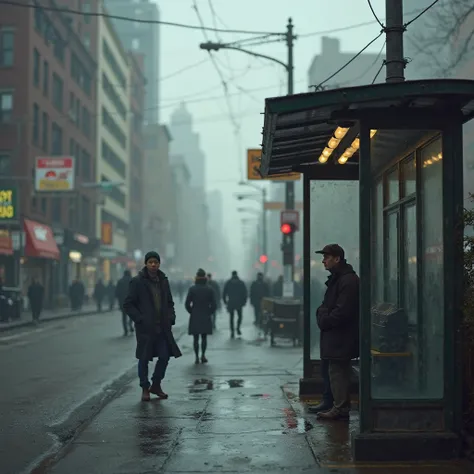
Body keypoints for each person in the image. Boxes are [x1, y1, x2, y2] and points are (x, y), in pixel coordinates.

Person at [123, 251, 182, 402]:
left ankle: (156, 384)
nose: (153, 265)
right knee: (144, 358)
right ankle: (145, 387)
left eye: (156, 262)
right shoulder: (137, 281)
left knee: (164, 356)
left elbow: (169, 302)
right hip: (145, 328)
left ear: (159, 264)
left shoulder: (163, 281)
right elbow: (128, 304)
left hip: (162, 327)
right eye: (150, 262)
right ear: (146, 264)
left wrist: (171, 317)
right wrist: (139, 319)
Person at [313, 244, 359, 420]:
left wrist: (324, 318)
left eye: (327, 257)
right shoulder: (340, 278)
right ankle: (338, 405)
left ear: (337, 259)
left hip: (341, 335)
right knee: (334, 370)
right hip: (336, 335)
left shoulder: (347, 280)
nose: (323, 261)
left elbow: (342, 311)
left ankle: (340, 408)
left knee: (338, 371)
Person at [185, 269, 216, 364]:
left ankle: (196, 357)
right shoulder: (210, 289)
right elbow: (214, 304)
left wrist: (192, 311)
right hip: (205, 315)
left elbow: (187, 303)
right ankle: (203, 355)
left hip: (195, 315)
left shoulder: (192, 289)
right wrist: (209, 312)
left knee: (195, 338)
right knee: (204, 337)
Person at [222, 270, 248, 338]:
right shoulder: (241, 283)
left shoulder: (228, 283)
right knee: (240, 316)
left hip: (231, 302)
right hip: (239, 302)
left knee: (231, 317)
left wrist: (225, 301)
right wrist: (244, 301)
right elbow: (244, 293)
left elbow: (224, 292)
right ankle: (238, 328)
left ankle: (232, 331)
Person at [116, 270, 133, 336]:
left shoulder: (120, 281)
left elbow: (117, 292)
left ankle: (125, 330)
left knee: (124, 316)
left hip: (123, 301)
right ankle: (130, 324)